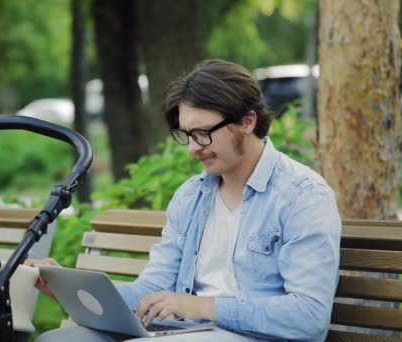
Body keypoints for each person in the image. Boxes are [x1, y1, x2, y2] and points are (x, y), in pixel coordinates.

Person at [26, 59, 341, 341]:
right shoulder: (191, 196)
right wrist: (66, 290)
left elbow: (308, 317)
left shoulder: (303, 196)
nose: (192, 148)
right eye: (186, 135)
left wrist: (202, 307)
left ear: (247, 121)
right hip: (181, 333)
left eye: (202, 133)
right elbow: (151, 291)